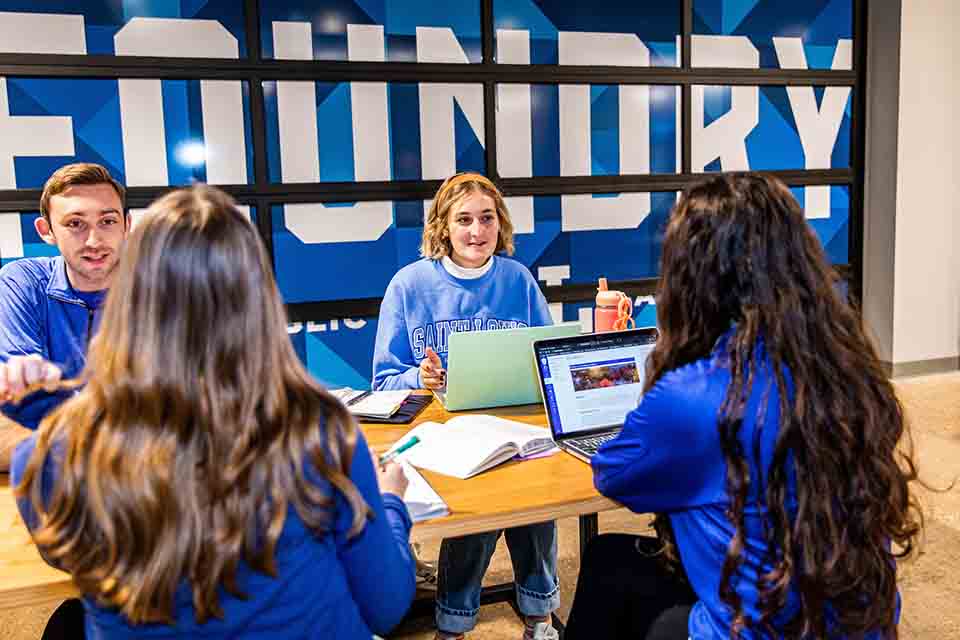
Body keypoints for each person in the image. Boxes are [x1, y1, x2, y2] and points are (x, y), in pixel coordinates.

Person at [9, 185, 416, 638]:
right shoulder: (318, 429)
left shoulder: (51, 453)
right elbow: (386, 606)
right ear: (257, 298)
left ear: (130, 293)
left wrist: (45, 408)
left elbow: (68, 558)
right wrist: (391, 501)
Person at [564, 173, 922, 639]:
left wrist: (666, 367)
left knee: (613, 573)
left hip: (759, 628)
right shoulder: (850, 370)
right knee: (610, 559)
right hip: (857, 620)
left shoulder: (693, 394)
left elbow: (614, 474)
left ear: (691, 276)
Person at [372, 173, 559, 640]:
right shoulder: (408, 285)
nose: (477, 232)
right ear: (443, 226)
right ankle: (453, 621)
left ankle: (540, 614)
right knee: (477, 506)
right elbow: (382, 382)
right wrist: (422, 377)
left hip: (514, 424)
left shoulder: (518, 279)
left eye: (487, 219)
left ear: (501, 223)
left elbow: (547, 360)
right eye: (464, 220)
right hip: (445, 436)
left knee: (535, 499)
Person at [0, 163, 128, 469]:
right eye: (75, 224)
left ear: (127, 224)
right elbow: (16, 401)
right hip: (94, 465)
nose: (94, 241)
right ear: (47, 232)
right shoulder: (24, 280)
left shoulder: (161, 287)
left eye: (108, 221)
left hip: (136, 480)